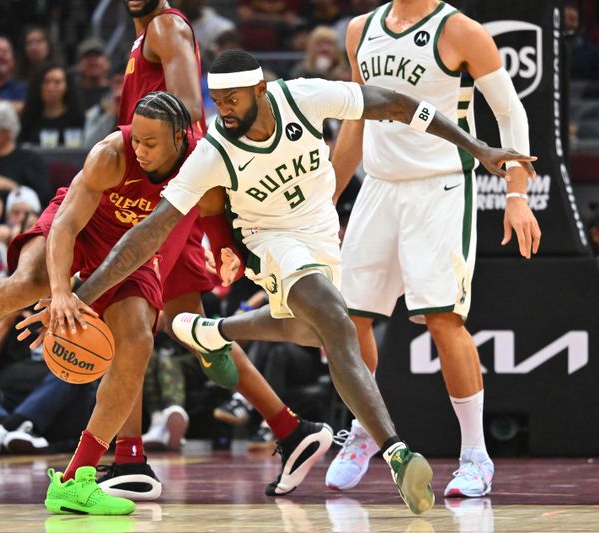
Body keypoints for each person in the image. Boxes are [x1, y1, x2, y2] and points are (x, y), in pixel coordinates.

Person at [42, 49, 536, 515]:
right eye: (217, 102)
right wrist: (82, 296)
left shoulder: (305, 96)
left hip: (320, 229)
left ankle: (213, 332)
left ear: (260, 88)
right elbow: (147, 234)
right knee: (336, 324)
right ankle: (397, 454)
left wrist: (478, 147)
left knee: (306, 330)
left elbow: (395, 104)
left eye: (233, 99)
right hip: (267, 238)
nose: (224, 110)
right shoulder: (213, 150)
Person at [93, 0, 337, 503]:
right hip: (172, 192)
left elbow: (189, 122)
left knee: (126, 314)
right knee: (190, 325)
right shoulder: (145, 37)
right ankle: (291, 430)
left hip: (169, 195)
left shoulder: (165, 27)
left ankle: (129, 459)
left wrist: (205, 215)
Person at [0, 92, 197, 515]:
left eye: (150, 143)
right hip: (80, 225)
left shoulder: (200, 162)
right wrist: (62, 291)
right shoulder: (110, 155)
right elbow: (66, 223)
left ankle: (75, 479)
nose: (139, 149)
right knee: (29, 282)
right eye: (135, 139)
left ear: (180, 137)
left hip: (134, 248)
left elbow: (216, 209)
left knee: (138, 341)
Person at [325, 0, 542, 499]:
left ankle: (475, 457)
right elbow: (357, 118)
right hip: (378, 187)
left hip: (441, 187)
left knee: (445, 320)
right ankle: (364, 434)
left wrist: (517, 195)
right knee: (347, 320)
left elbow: (510, 112)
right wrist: (327, 200)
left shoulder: (461, 31)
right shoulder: (361, 30)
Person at [19, 63, 85, 148]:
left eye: (57, 82)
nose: (50, 87)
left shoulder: (77, 118)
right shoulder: (29, 118)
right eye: (46, 82)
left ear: (67, 86)